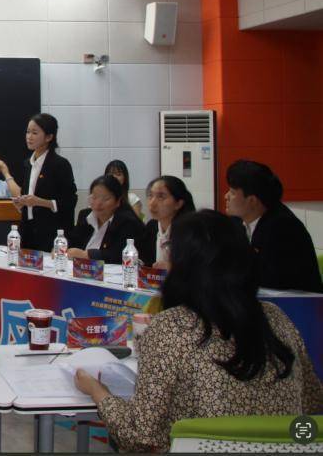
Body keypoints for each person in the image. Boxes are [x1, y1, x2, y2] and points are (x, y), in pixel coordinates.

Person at [74, 210, 323, 452]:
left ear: (184, 265)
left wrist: (99, 392)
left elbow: (139, 436)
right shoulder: (277, 318)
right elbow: (313, 401)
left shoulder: (171, 326)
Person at [225, 160, 323, 293]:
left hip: (296, 301)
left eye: (232, 192)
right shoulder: (237, 221)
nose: (226, 196)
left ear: (252, 200)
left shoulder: (282, 227)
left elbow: (271, 279)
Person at [13, 113, 77, 251]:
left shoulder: (60, 165)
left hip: (51, 234)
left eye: (34, 133)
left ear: (49, 137)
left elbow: (70, 202)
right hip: (28, 232)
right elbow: (28, 198)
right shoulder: (27, 164)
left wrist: (40, 202)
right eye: (28, 132)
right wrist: (21, 204)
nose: (29, 136)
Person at [68, 175, 145, 264]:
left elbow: (118, 255)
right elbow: (73, 241)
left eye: (106, 199)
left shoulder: (128, 222)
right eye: (94, 198)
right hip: (81, 270)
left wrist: (87, 255)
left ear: (118, 201)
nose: (98, 203)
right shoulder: (85, 216)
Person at [136, 176, 195, 268]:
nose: (152, 203)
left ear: (178, 203)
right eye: (150, 195)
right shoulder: (152, 226)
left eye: (161, 197)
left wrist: (174, 269)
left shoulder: (189, 231)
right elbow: (144, 261)